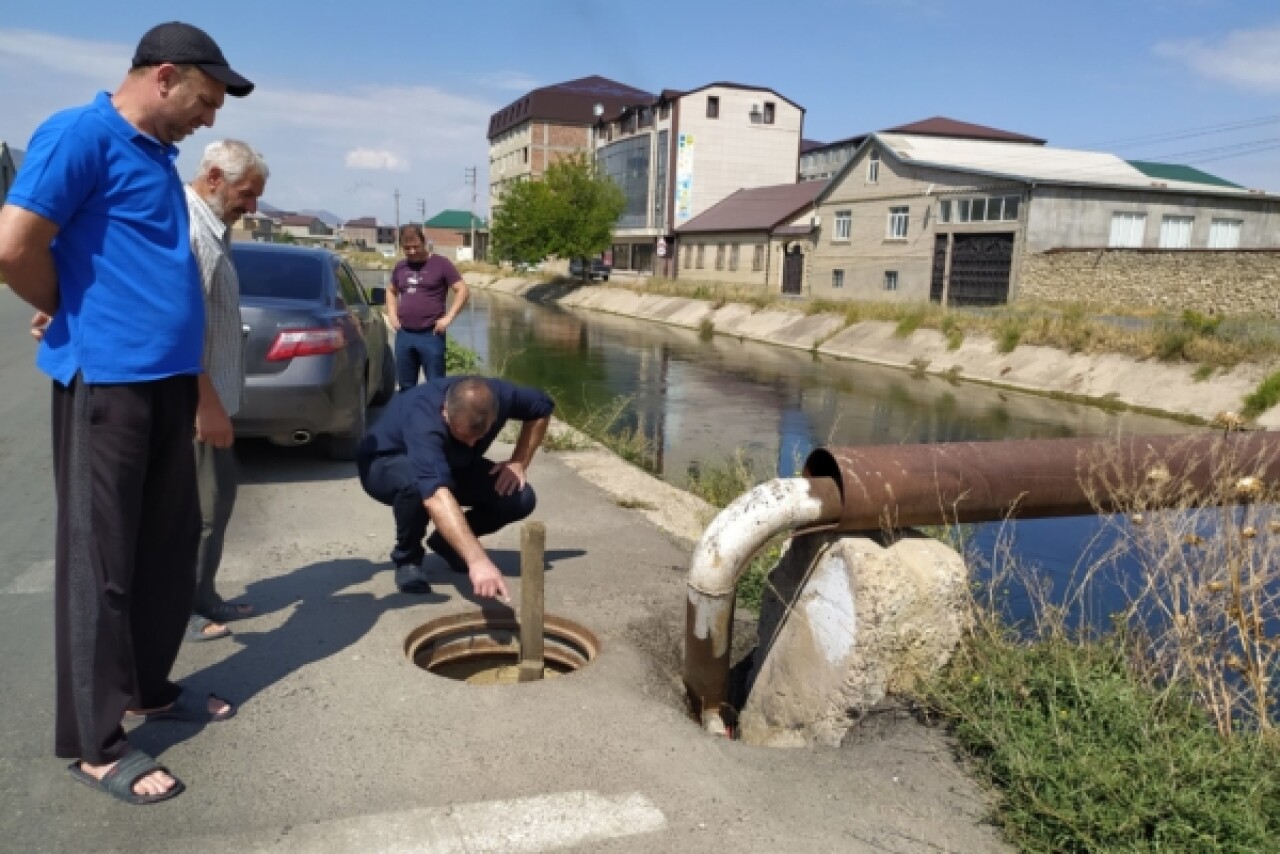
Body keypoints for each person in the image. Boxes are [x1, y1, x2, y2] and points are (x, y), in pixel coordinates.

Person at [0, 22, 253, 805]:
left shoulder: (155, 157)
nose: (208, 119)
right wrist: (69, 309)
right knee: (102, 565)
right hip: (107, 381)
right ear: (165, 76)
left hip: (169, 381)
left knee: (164, 553)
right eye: (204, 102)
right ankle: (97, 742)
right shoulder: (81, 133)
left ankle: (148, 687)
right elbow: (13, 248)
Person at [356, 376, 553, 598]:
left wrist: (519, 461)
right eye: (462, 435)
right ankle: (408, 559)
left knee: (519, 496)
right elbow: (435, 495)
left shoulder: (503, 395)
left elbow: (543, 407)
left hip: (450, 462)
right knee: (414, 486)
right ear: (444, 412)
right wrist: (478, 560)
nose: (471, 443)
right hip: (384, 462)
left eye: (479, 436)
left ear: (495, 414)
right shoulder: (424, 420)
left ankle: (447, 542)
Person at [185, 140, 269, 642]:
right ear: (215, 177)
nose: (252, 206)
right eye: (247, 193)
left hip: (214, 397)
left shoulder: (214, 227)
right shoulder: (193, 231)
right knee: (202, 511)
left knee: (218, 502)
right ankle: (187, 611)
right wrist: (205, 402)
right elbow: (179, 326)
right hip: (199, 402)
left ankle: (205, 596)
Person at [386, 225, 469, 390]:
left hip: (431, 334)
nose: (411, 251)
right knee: (405, 385)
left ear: (424, 242)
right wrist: (392, 315)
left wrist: (448, 318)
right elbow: (391, 290)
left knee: (435, 385)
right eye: (407, 248)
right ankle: (409, 415)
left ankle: (433, 415)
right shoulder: (401, 266)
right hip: (405, 334)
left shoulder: (441, 264)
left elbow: (463, 290)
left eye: (415, 246)